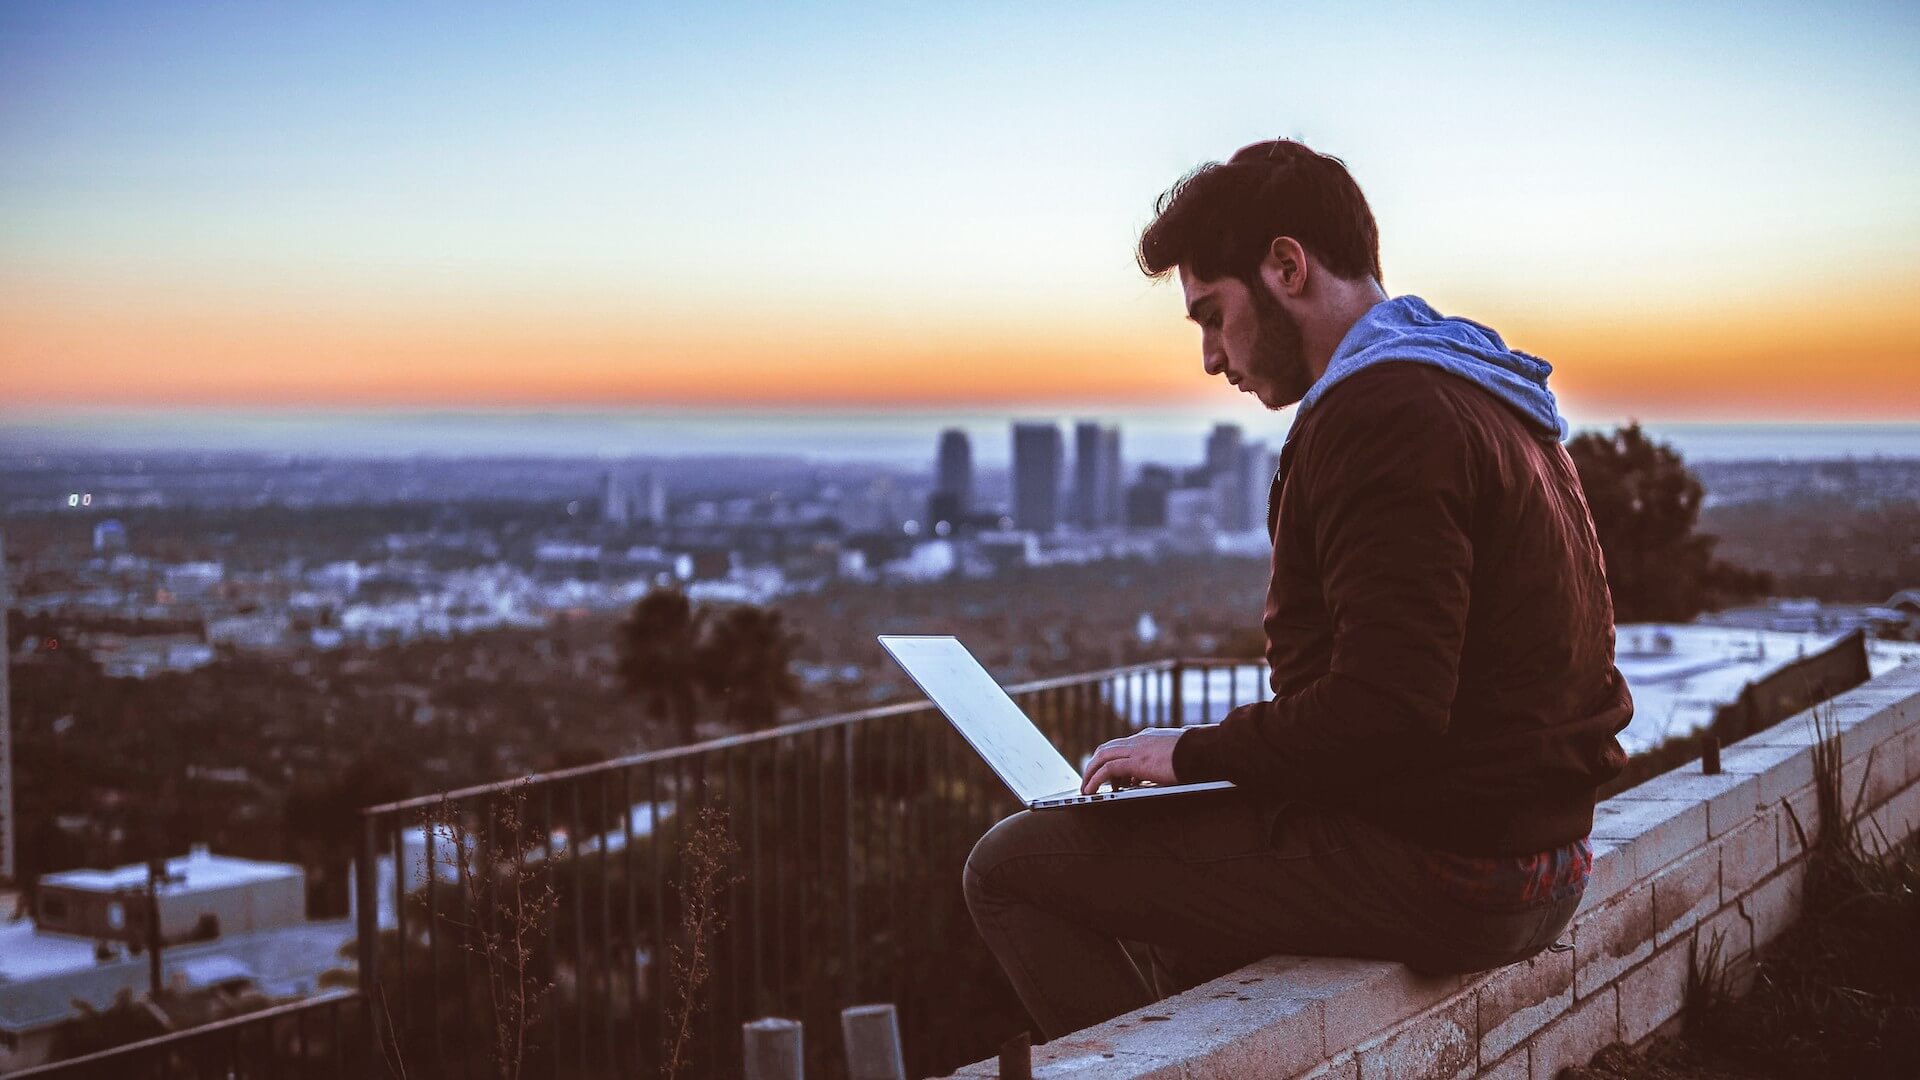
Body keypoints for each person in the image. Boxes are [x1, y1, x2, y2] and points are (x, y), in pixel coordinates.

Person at [962, 139, 1634, 1041]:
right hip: (1540, 855)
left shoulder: (1381, 414)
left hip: (1459, 871)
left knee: (1009, 866)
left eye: (1212, 315)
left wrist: (1192, 755)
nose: (1211, 358)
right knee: (1180, 883)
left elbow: (1387, 709)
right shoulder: (1484, 392)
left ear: (1286, 266)